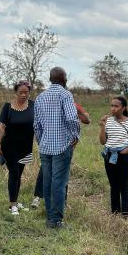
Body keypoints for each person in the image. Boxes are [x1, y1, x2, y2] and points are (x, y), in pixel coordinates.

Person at [34, 67, 80, 228]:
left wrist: (41, 142)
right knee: (59, 183)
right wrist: (75, 136)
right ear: (63, 78)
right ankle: (55, 220)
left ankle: (50, 215)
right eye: (66, 77)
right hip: (62, 146)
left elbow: (37, 126)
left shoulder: (40, 97)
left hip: (45, 146)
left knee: (47, 182)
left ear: (50, 78)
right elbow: (72, 118)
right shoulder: (65, 94)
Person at [31, 102, 90, 208]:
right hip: (49, 144)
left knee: (62, 174)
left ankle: (63, 201)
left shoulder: (72, 105)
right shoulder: (48, 104)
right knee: (44, 172)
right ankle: (38, 198)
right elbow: (38, 124)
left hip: (64, 146)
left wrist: (78, 112)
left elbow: (86, 120)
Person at [0, 81, 34, 216]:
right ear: (15, 92)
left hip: (26, 147)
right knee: (14, 173)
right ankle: (12, 205)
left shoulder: (33, 105)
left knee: (19, 174)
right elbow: (0, 126)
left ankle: (15, 201)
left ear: (29, 92)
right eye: (20, 92)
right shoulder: (8, 107)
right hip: (9, 145)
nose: (23, 95)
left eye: (26, 92)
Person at [99, 96, 128, 216]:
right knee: (113, 186)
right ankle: (115, 213)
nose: (113, 109)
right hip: (109, 156)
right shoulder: (108, 121)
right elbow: (103, 142)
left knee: (124, 186)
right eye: (112, 106)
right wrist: (102, 126)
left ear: (123, 108)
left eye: (116, 106)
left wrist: (124, 152)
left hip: (124, 157)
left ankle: (125, 213)